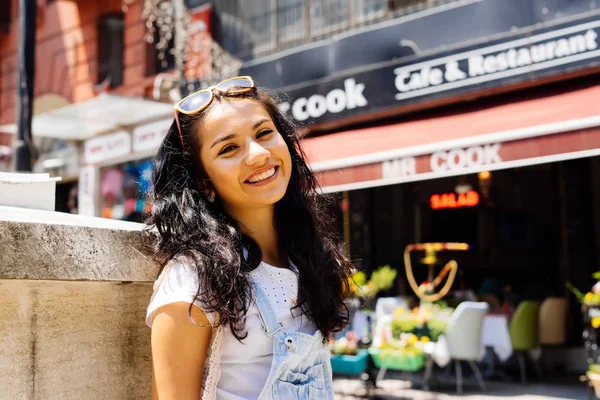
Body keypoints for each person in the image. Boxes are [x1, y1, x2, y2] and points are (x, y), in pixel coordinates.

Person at [145, 76, 353, 400]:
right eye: (229, 148)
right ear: (204, 182)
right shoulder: (192, 278)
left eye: (264, 133)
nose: (257, 155)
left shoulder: (306, 257)